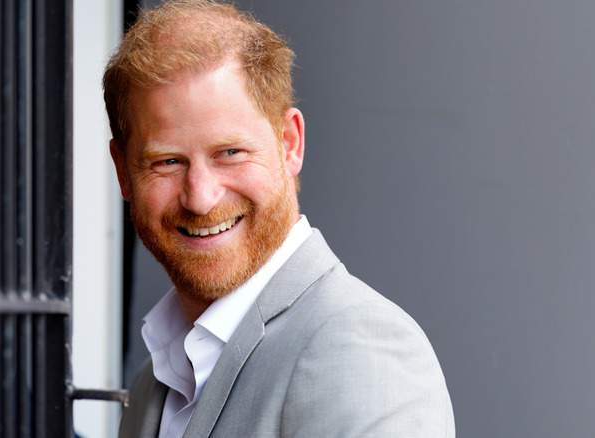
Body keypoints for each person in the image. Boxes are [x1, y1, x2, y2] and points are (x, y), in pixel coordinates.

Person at [103, 1, 455, 436]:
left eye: (230, 153)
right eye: (168, 162)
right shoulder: (151, 388)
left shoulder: (361, 350)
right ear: (122, 173)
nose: (200, 198)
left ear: (289, 143)